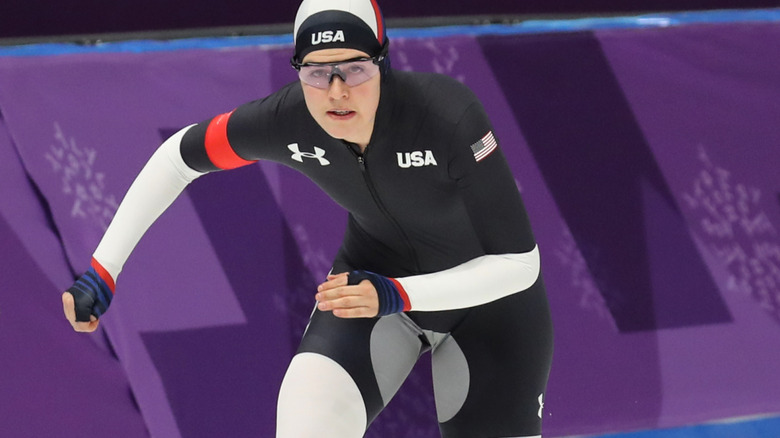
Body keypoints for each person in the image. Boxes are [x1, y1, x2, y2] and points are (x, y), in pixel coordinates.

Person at [62, 0, 554, 436]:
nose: (337, 91)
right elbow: (177, 158)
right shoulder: (287, 119)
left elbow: (519, 266)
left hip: (491, 307)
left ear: (382, 62)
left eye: (354, 69)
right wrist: (103, 269)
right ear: (297, 71)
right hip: (366, 291)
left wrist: (399, 292)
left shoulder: (449, 117)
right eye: (317, 73)